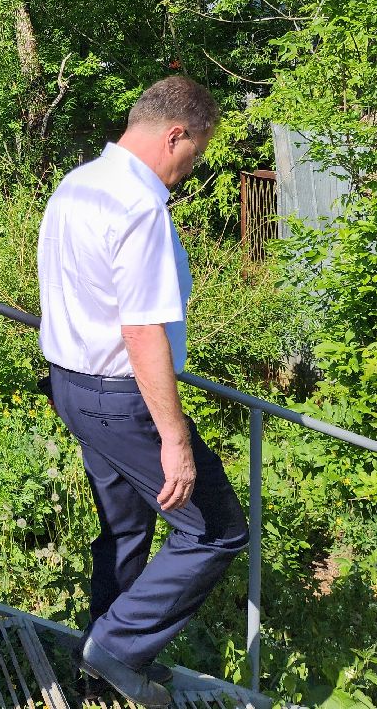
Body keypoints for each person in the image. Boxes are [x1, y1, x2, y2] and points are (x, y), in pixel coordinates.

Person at [37, 77, 249, 707]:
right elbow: (142, 330)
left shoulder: (78, 184)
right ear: (174, 135)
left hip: (73, 387)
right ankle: (117, 648)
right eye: (195, 153)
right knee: (215, 530)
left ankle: (99, 668)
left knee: (126, 529)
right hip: (122, 399)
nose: (192, 168)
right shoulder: (141, 207)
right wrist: (175, 439)